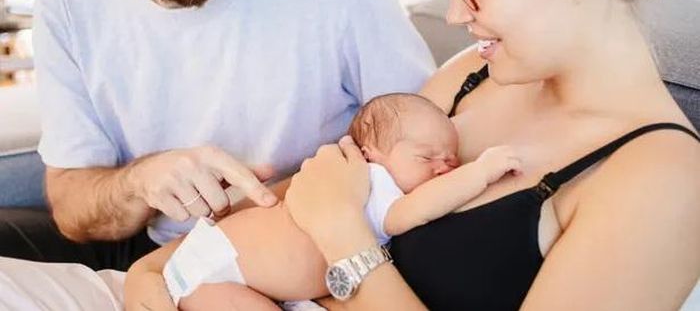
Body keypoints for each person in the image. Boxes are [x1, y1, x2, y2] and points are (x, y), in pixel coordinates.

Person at [281, 0, 700, 310]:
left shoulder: (664, 180)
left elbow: (336, 210)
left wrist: (343, 236)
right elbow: (341, 185)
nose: (455, 15)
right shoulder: (475, 73)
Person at [0, 0, 435, 271]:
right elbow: (72, 207)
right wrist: (141, 182)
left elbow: (438, 158)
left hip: (296, 255)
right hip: (153, 248)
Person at [123, 93, 522, 310]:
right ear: (370, 154)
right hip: (214, 274)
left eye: (451, 159)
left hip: (215, 269)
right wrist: (478, 172)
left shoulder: (344, 176)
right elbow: (418, 210)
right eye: (427, 157)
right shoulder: (374, 183)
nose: (444, 166)